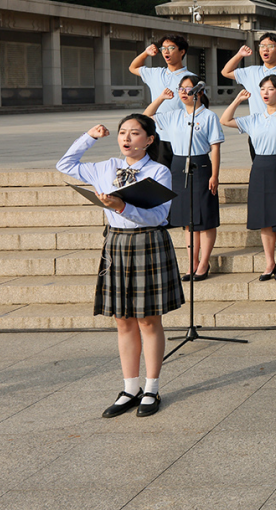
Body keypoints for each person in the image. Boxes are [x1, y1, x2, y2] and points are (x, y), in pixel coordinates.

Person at [57, 114, 182, 418]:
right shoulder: (105, 167)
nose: (127, 138)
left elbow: (158, 217)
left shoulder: (158, 172)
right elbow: (65, 165)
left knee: (149, 320)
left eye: (135, 133)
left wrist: (123, 206)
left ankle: (151, 387)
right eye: (123, 133)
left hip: (148, 242)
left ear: (149, 140)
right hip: (116, 243)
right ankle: (130, 388)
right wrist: (90, 136)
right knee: (123, 320)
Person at [220, 76, 276, 280]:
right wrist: (238, 100)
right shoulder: (255, 118)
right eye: (263, 89)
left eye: (271, 89)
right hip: (259, 168)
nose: (266, 93)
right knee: (264, 219)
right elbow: (225, 120)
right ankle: (269, 263)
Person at [143, 76, 224, 281]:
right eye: (180, 88)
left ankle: (204, 263)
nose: (182, 91)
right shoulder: (174, 115)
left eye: (188, 88)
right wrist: (161, 97)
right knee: (187, 220)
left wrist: (214, 175)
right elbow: (146, 116)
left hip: (201, 164)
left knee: (205, 218)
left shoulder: (209, 116)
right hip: (178, 166)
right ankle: (192, 263)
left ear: (199, 92)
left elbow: (215, 148)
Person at [221, 34, 276, 160]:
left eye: (270, 46)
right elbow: (225, 72)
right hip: (256, 129)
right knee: (258, 165)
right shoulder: (251, 72)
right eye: (262, 46)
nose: (265, 49)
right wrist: (239, 55)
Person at [129, 36, 193, 168]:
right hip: (158, 135)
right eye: (163, 48)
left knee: (178, 176)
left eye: (171, 48)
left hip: (180, 135)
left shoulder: (191, 78)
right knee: (158, 174)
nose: (166, 51)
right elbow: (133, 67)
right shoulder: (156, 73)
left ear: (182, 52)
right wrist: (146, 53)